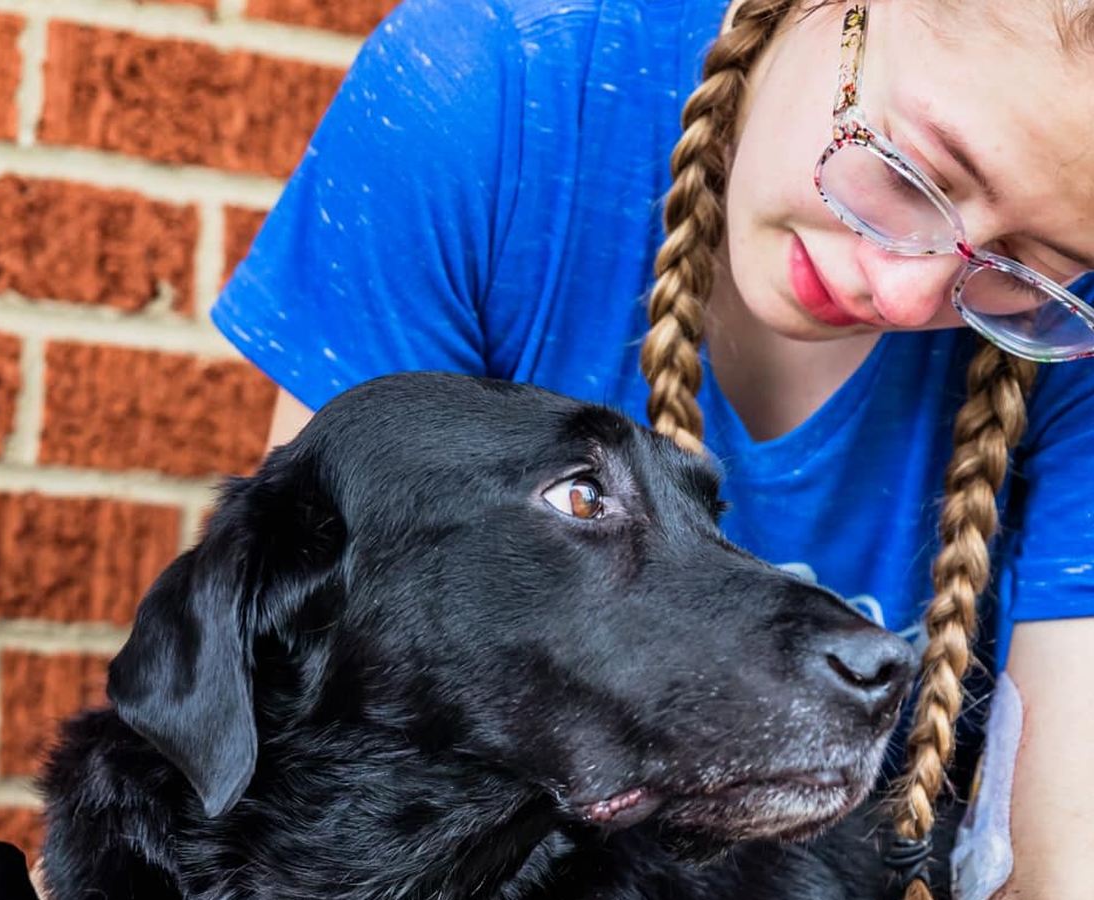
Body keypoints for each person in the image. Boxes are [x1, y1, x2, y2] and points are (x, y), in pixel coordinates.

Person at [212, 0, 1094, 898]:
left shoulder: (1076, 343)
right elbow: (299, 744)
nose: (906, 296)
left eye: (1029, 263)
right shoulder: (494, 90)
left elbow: (1058, 869)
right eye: (912, 171)